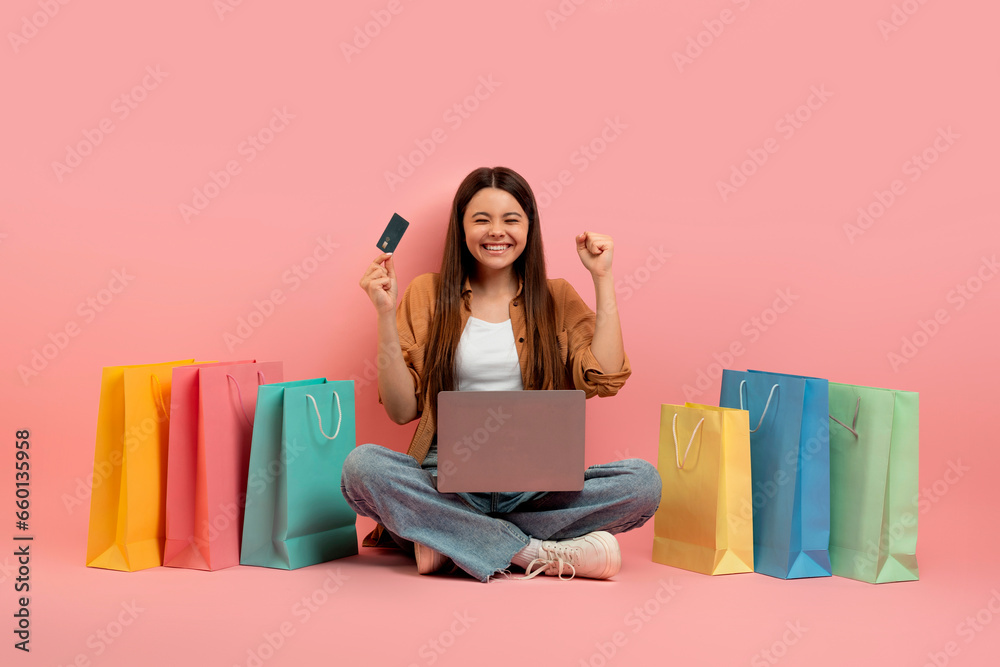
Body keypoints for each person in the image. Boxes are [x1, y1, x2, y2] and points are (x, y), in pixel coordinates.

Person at [342, 166, 661, 582]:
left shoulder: (556, 296)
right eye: (481, 219)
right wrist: (385, 315)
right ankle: (532, 551)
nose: (497, 232)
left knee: (643, 483)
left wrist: (602, 279)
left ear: (529, 228)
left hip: (537, 486)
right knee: (362, 467)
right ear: (461, 228)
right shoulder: (426, 293)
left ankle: (449, 539)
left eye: (511, 219)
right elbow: (402, 411)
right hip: (446, 482)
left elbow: (607, 377)